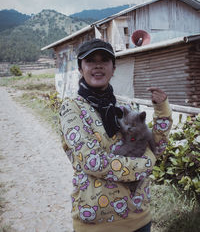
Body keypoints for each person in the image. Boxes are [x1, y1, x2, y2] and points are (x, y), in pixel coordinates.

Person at [59, 38, 172, 232]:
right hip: (96, 223)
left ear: (113, 68)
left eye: (104, 60)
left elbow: (156, 148)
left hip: (139, 218)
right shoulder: (72, 109)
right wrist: (145, 164)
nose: (98, 66)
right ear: (80, 68)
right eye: (90, 61)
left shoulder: (125, 108)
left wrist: (162, 110)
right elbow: (92, 161)